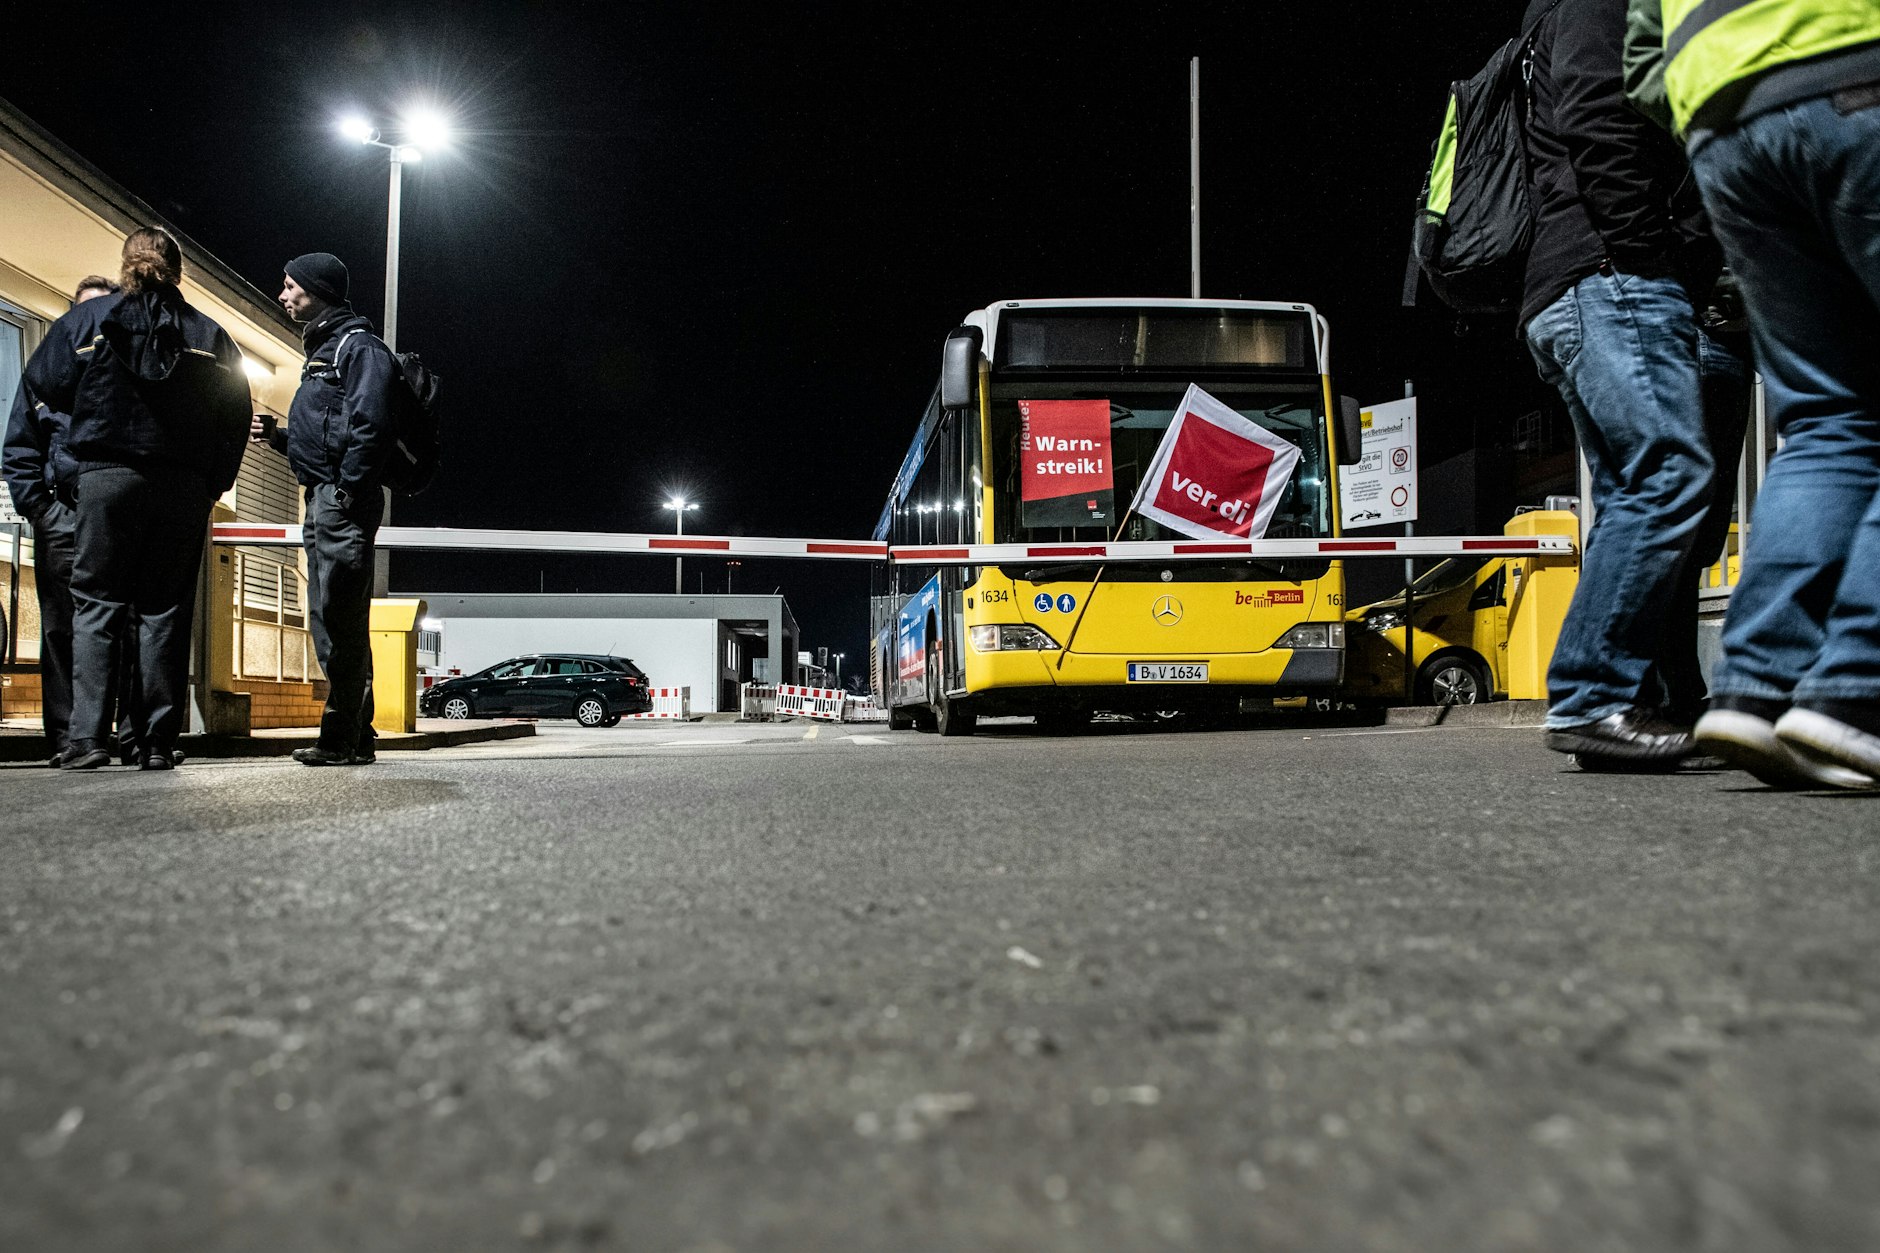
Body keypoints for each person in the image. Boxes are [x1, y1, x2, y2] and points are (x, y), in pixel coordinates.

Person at [1517, 0, 1735, 769]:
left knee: (1633, 495)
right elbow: (1594, 117)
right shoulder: (1594, 4)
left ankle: (1628, 702)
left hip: (1587, 280)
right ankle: (1590, 693)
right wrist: (1649, 255)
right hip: (1612, 276)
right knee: (1671, 472)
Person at [1668, 2, 1880, 787]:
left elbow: (1640, 50)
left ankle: (1760, 684)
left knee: (1828, 419)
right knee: (1834, 418)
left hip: (1720, 108)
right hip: (1852, 57)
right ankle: (1859, 687)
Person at [11, 228, 250, 770]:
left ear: (124, 264)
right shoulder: (209, 335)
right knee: (164, 610)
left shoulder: (86, 323)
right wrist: (211, 485)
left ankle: (87, 739)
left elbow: (44, 385)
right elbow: (235, 417)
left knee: (96, 604)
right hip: (181, 486)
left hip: (106, 479)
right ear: (178, 271)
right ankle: (155, 742)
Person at [256, 252, 398, 766]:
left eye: (290, 285)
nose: (283, 295)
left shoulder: (358, 348)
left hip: (339, 500)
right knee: (331, 620)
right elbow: (329, 433)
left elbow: (370, 426)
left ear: (317, 290)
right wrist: (281, 439)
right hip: (324, 496)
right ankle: (355, 737)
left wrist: (346, 491)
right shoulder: (327, 348)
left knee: (339, 619)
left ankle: (341, 739)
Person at [3, 276, 117, 765]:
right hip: (63, 516)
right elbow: (19, 447)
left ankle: (109, 731)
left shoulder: (123, 376)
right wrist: (42, 510)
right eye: (83, 314)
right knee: (60, 628)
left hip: (114, 514)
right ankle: (69, 737)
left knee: (119, 621)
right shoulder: (43, 377)